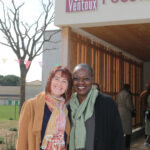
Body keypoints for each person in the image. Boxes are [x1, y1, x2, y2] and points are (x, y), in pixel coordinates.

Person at [68, 63, 124, 150]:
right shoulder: (69, 106)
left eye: (86, 79)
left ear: (92, 79)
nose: (81, 82)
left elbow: (118, 136)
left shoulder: (107, 103)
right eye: (76, 78)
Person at [16, 65, 73, 150]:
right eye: (56, 79)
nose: (59, 84)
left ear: (67, 86)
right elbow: (21, 141)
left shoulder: (64, 109)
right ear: (50, 81)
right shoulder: (31, 105)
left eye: (64, 81)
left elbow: (66, 140)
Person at [116, 84, 134, 150]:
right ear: (128, 88)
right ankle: (127, 147)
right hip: (126, 114)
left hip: (119, 112)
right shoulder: (127, 94)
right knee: (128, 132)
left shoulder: (119, 94)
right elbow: (128, 105)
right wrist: (133, 110)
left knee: (121, 131)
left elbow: (116, 103)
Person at [144, 83, 150, 148]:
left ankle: (147, 140)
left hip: (147, 111)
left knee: (147, 126)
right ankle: (147, 141)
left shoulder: (145, 94)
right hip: (148, 111)